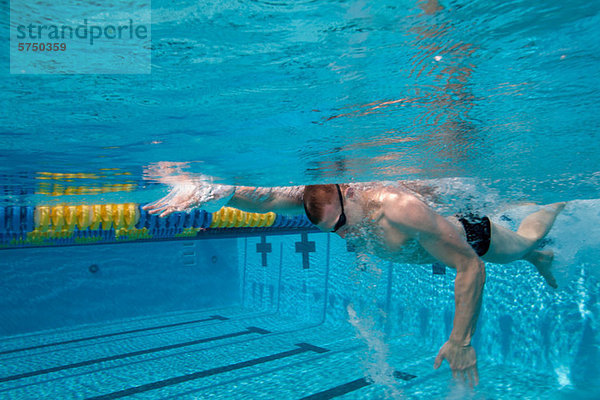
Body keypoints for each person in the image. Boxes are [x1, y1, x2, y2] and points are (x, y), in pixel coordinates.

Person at [144, 179, 565, 386]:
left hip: (472, 237)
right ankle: (541, 259)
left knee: (525, 242)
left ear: (349, 197)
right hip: (426, 248)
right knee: (531, 254)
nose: (343, 235)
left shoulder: (400, 209)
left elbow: (471, 268)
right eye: (333, 231)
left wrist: (460, 341)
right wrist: (212, 190)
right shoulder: (320, 198)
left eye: (343, 224)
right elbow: (264, 197)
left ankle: (558, 201)